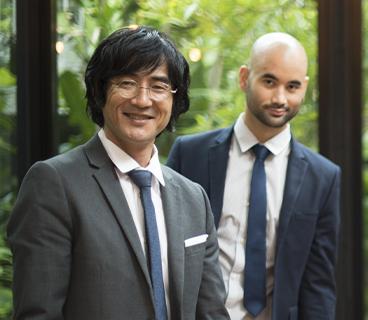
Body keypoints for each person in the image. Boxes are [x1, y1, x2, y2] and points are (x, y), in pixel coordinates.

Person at [7, 26, 228, 319]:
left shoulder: (193, 198)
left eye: (159, 86)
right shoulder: (53, 184)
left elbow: (211, 312)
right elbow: (38, 313)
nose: (142, 99)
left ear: (175, 99)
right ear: (100, 91)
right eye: (126, 83)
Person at [167, 32, 340, 320]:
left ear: (305, 88)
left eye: (293, 86)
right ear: (245, 78)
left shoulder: (323, 177)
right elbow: (165, 252)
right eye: (269, 81)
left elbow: (318, 283)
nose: (280, 98)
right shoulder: (190, 154)